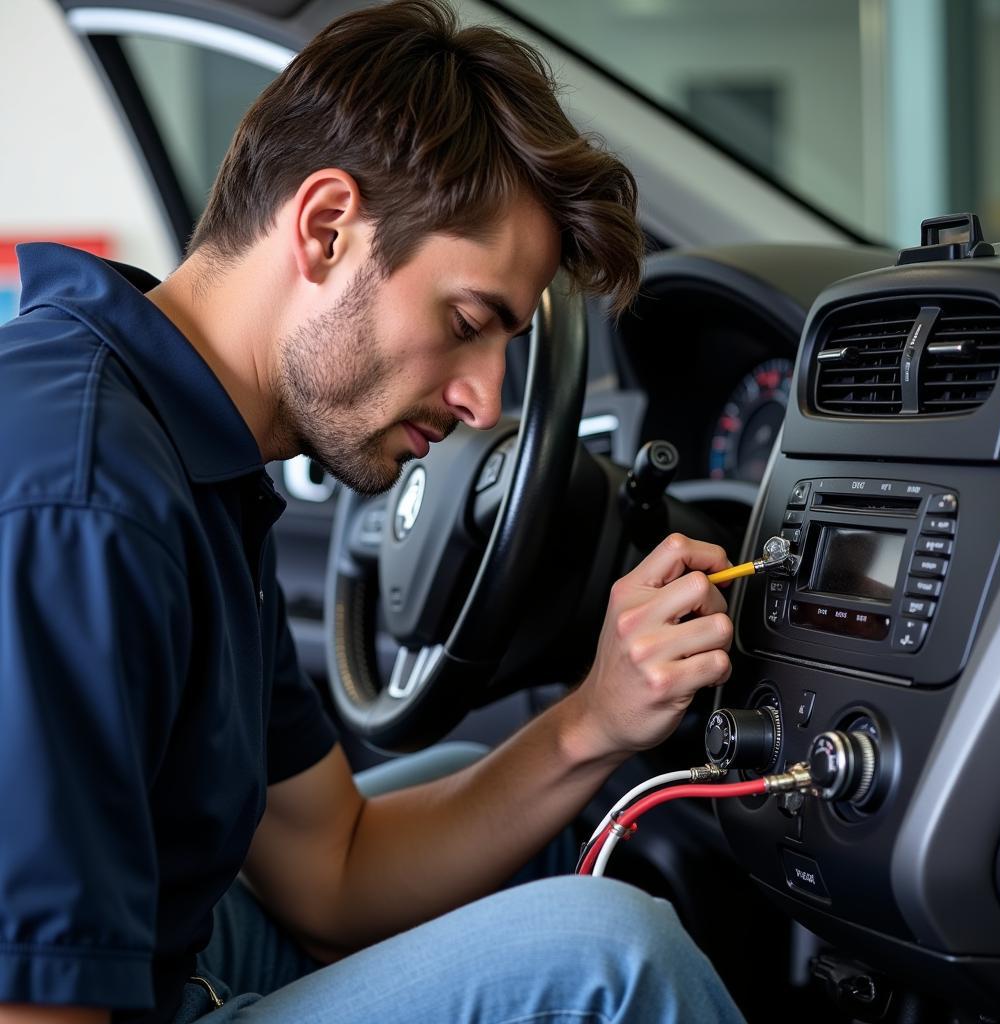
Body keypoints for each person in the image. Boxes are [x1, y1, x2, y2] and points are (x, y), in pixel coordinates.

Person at [0, 2, 743, 1022]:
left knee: (466, 781)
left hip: (173, 958)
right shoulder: (86, 503)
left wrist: (595, 723)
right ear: (324, 226)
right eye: (468, 322)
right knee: (614, 957)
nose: (487, 399)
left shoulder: (192, 460)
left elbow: (332, 875)